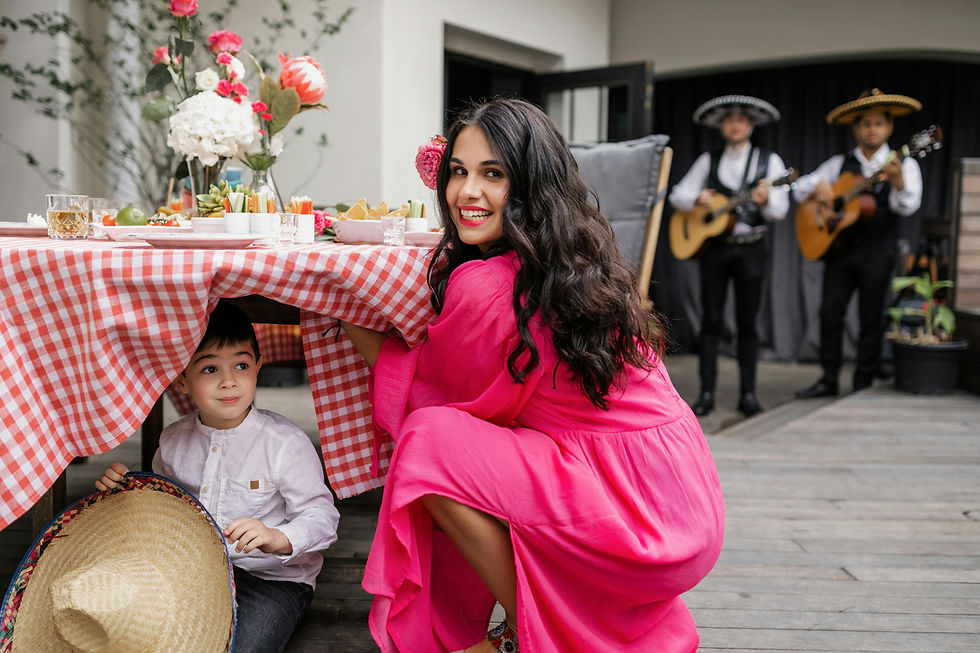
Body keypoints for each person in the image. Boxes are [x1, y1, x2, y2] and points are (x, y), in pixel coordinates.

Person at [339, 98, 725, 652]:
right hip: (682, 501)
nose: (466, 193)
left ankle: (535, 633)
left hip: (636, 523)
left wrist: (345, 311)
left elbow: (431, 390)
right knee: (487, 437)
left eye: (492, 174)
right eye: (458, 172)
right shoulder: (578, 259)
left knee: (428, 443)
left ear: (529, 186)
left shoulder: (493, 284)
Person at [96, 302, 340, 653]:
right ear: (181, 379)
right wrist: (124, 492)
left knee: (245, 647)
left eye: (241, 365)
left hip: (270, 581)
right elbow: (162, 511)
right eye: (210, 368)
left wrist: (277, 536)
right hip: (194, 572)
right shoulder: (172, 442)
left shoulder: (284, 444)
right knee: (135, 631)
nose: (229, 381)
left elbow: (323, 519)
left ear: (258, 366)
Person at [794, 89, 923, 398]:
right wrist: (820, 187)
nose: (872, 129)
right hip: (839, 252)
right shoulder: (838, 164)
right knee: (830, 314)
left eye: (878, 123)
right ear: (856, 128)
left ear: (889, 128)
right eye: (866, 124)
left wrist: (897, 181)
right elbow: (799, 188)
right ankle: (828, 378)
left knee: (870, 317)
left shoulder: (902, 165)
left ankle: (863, 382)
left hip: (878, 251)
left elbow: (908, 205)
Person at [668, 95, 790, 418]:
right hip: (717, 250)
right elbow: (676, 195)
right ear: (723, 126)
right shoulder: (709, 160)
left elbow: (780, 209)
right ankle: (706, 393)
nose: (735, 125)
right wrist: (698, 198)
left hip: (752, 248)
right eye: (729, 120)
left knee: (748, 323)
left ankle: (748, 394)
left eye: (741, 120)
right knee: (710, 321)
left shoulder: (770, 161)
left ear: (750, 125)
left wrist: (765, 200)